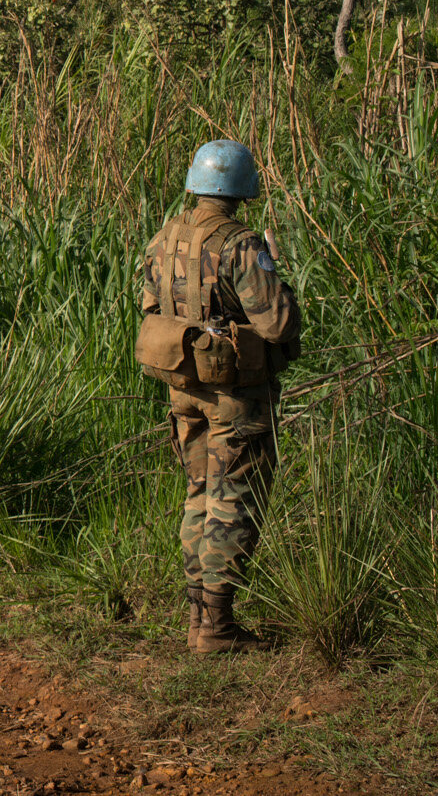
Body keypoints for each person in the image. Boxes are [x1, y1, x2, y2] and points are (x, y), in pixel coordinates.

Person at [137, 139, 302, 654]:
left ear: (196, 181)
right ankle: (215, 627)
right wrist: (275, 265)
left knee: (199, 494)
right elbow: (279, 323)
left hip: (184, 387)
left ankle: (197, 616)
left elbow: (149, 301)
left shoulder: (163, 238)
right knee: (233, 498)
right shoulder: (242, 244)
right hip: (236, 393)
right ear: (242, 189)